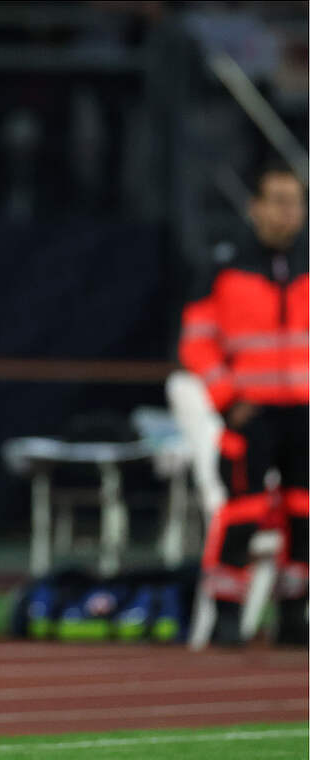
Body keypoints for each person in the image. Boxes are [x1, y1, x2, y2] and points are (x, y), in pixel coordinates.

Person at [179, 161, 308, 646]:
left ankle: (295, 613)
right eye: (276, 201)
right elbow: (195, 342)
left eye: (294, 201)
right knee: (242, 512)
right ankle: (227, 612)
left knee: (304, 514)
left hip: (303, 411)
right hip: (250, 412)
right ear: (254, 207)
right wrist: (228, 399)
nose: (286, 212)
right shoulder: (224, 265)